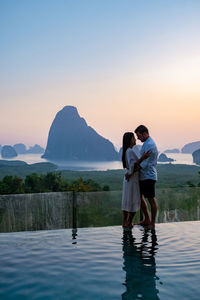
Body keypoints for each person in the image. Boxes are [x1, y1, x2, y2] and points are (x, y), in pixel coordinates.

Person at [121, 132, 150, 228]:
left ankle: (125, 222)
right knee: (134, 200)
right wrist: (143, 158)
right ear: (130, 140)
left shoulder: (127, 151)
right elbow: (134, 166)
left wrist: (130, 173)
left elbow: (131, 166)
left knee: (126, 200)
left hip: (129, 179)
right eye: (134, 138)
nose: (135, 139)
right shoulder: (130, 151)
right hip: (132, 180)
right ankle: (128, 222)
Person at [134, 125, 158, 227]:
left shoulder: (150, 145)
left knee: (151, 199)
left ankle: (152, 222)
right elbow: (142, 160)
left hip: (148, 176)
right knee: (139, 197)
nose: (138, 138)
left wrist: (133, 170)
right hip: (143, 176)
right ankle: (147, 219)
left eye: (138, 135)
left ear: (144, 133)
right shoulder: (146, 144)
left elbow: (145, 164)